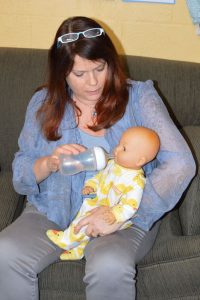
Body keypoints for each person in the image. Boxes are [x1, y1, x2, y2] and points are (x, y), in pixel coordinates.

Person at [0, 16, 195, 300]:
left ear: (110, 63)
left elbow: (180, 163)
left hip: (121, 216)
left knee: (109, 266)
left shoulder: (140, 98)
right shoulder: (43, 104)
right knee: (5, 253)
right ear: (62, 73)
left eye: (99, 68)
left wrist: (120, 215)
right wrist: (49, 163)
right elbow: (20, 170)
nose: (92, 82)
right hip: (53, 212)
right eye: (79, 74)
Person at [46, 126, 160, 260]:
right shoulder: (113, 163)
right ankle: (78, 250)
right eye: (119, 144)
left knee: (83, 221)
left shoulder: (136, 180)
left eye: (123, 148)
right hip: (97, 200)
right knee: (84, 219)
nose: (116, 149)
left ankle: (66, 240)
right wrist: (90, 186)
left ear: (140, 161)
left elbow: (131, 205)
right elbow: (99, 177)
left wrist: (115, 214)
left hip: (109, 212)